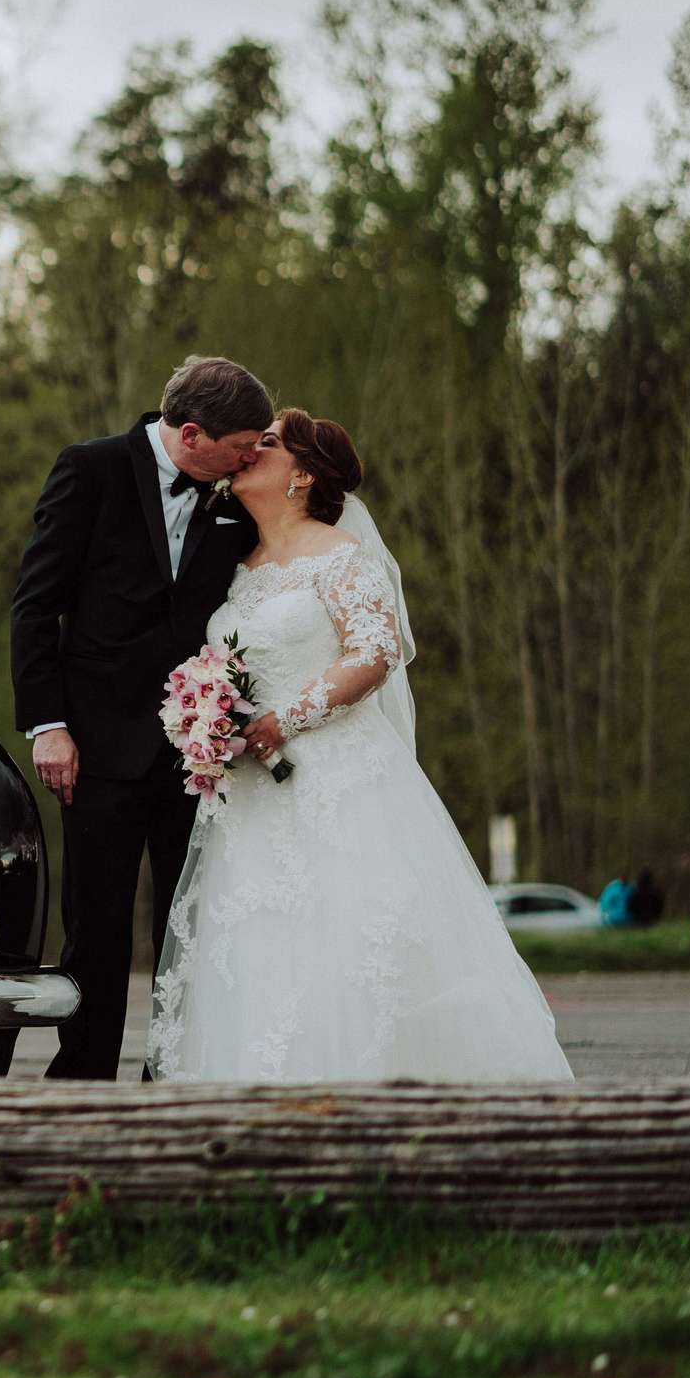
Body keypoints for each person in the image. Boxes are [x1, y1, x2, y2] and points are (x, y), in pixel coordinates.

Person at [146, 409, 573, 1083]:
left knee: (348, 944)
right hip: (251, 800)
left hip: (338, 780)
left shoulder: (341, 555)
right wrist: (210, 714)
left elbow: (374, 653)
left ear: (303, 473)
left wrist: (285, 718)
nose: (250, 452)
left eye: (268, 444)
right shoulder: (238, 568)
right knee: (257, 953)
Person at [11, 356, 272, 1081]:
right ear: (192, 434)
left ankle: (174, 1071)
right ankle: (84, 1080)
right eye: (241, 443)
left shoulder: (234, 498)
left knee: (186, 926)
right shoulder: (88, 471)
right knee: (95, 929)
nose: (250, 456)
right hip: (94, 748)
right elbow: (36, 603)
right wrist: (48, 724)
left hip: (196, 754)